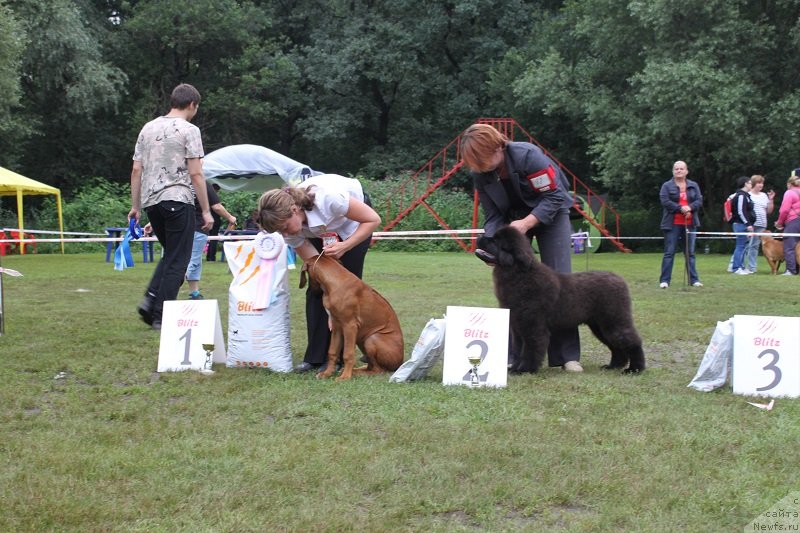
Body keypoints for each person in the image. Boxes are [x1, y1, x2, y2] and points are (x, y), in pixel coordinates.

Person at [461, 123, 582, 373]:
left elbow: (556, 196)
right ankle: (514, 355)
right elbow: (493, 214)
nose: (480, 168)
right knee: (512, 287)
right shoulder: (480, 174)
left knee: (560, 282)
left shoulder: (528, 156)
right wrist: (491, 243)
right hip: (512, 219)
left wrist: (527, 223)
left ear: (497, 147)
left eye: (482, 159)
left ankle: (567, 356)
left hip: (550, 213)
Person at [256, 174, 380, 372]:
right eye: (280, 232)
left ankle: (341, 358)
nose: (285, 235)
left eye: (285, 228)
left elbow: (373, 219)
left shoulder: (329, 198)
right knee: (317, 288)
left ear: (294, 210)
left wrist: (346, 246)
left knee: (346, 291)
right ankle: (315, 357)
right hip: (316, 231)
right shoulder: (288, 229)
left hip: (355, 225)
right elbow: (314, 263)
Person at [128, 83, 213, 330]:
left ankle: (149, 300)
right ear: (192, 105)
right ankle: (161, 316)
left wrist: (136, 206)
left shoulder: (148, 128)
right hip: (178, 199)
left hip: (152, 203)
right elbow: (196, 173)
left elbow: (136, 169)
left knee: (172, 253)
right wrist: (206, 210)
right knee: (180, 260)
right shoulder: (189, 130)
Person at [185, 181, 237, 300]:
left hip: (180, 227)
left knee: (192, 260)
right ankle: (168, 286)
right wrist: (230, 217)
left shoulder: (180, 182)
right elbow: (217, 207)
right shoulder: (202, 183)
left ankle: (194, 292)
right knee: (193, 261)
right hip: (198, 227)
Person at [658, 161, 703, 288]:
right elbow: (665, 201)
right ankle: (664, 281)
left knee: (690, 253)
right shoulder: (666, 186)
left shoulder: (694, 185)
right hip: (672, 224)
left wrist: (689, 208)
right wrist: (680, 208)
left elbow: (699, 200)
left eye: (681, 169)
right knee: (669, 252)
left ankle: (694, 280)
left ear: (686, 171)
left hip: (690, 223)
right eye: (676, 169)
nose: (679, 171)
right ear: (673, 171)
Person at [743, 175, 775, 273]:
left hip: (761, 224)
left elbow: (769, 211)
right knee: (746, 245)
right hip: (750, 224)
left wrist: (771, 199)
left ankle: (752, 267)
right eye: (759, 183)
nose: (761, 185)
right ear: (753, 184)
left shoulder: (764, 195)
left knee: (755, 246)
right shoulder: (747, 194)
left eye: (762, 183)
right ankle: (740, 266)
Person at [728, 176, 755, 275]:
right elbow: (740, 211)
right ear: (745, 184)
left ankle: (742, 266)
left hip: (744, 224)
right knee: (740, 246)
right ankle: (736, 268)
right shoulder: (740, 196)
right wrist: (747, 224)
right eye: (750, 183)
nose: (751, 185)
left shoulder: (746, 196)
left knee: (744, 246)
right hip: (740, 224)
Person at [775, 172, 800, 276]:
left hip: (793, 221)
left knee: (790, 246)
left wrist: (779, 223)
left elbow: (784, 210)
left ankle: (791, 270)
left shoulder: (789, 193)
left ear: (789, 184)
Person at [205, 183, 223, 262]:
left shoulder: (206, 198)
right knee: (213, 239)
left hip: (208, 220)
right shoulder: (215, 199)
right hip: (215, 221)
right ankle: (211, 257)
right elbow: (218, 208)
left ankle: (210, 257)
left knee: (209, 238)